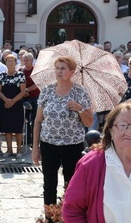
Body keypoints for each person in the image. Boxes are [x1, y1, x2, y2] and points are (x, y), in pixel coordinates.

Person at [32, 56, 93, 206]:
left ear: (72, 72)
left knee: (71, 184)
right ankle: (49, 222)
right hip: (49, 143)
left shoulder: (80, 92)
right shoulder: (47, 90)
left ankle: (69, 220)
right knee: (49, 184)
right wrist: (35, 148)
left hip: (72, 145)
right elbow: (38, 121)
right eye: (57, 68)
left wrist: (80, 108)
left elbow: (89, 121)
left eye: (63, 68)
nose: (59, 71)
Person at [0, 54, 27, 158]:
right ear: (6, 63)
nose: (10, 63)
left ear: (15, 62)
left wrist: (12, 101)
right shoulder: (2, 75)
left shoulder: (20, 75)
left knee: (17, 129)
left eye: (12, 61)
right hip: (5, 105)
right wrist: (6, 100)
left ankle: (18, 151)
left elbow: (23, 91)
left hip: (17, 104)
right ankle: (9, 150)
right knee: (7, 128)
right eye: (8, 61)